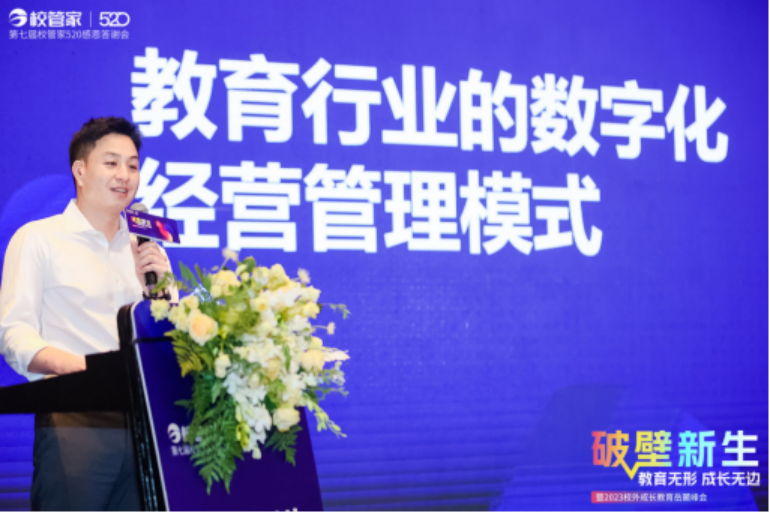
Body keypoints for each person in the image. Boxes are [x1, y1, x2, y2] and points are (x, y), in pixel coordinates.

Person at [0, 117, 176, 512]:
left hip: (147, 421)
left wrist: (158, 290)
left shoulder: (147, 249)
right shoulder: (39, 238)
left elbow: (170, 339)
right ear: (80, 170)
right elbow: (13, 333)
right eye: (111, 163)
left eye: (133, 165)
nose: (125, 175)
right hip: (74, 418)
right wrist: (83, 370)